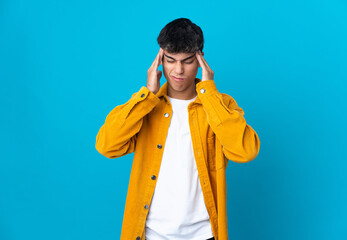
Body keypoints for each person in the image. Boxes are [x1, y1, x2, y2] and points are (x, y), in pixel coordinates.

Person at [95, 18, 260, 240]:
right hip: (151, 234)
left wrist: (209, 93)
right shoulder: (146, 107)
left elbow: (246, 151)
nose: (178, 70)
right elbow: (107, 145)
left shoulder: (220, 106)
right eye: (171, 60)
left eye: (188, 61)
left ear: (201, 61)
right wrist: (147, 96)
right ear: (160, 60)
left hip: (204, 234)